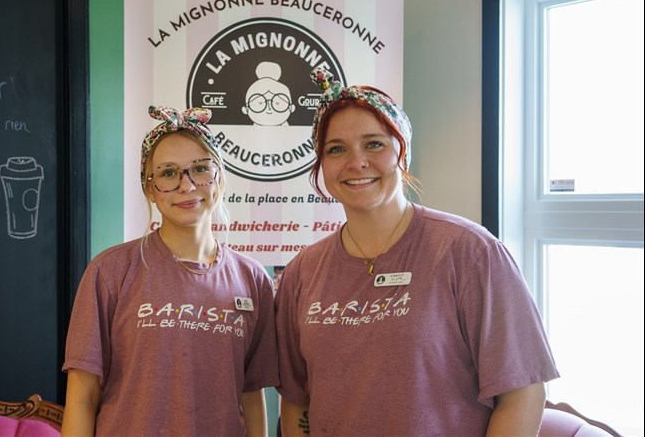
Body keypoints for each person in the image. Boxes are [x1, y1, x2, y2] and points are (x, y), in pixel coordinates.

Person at [274, 68, 560, 436]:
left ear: (403, 153)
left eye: (374, 144)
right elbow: (297, 400)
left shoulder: (471, 253)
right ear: (321, 165)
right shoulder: (303, 271)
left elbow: (523, 392)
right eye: (336, 149)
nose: (356, 162)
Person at [62, 105, 278, 436]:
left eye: (200, 169)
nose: (186, 186)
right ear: (149, 188)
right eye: (168, 173)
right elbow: (82, 396)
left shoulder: (252, 279)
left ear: (220, 177)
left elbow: (251, 395)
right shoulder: (109, 272)